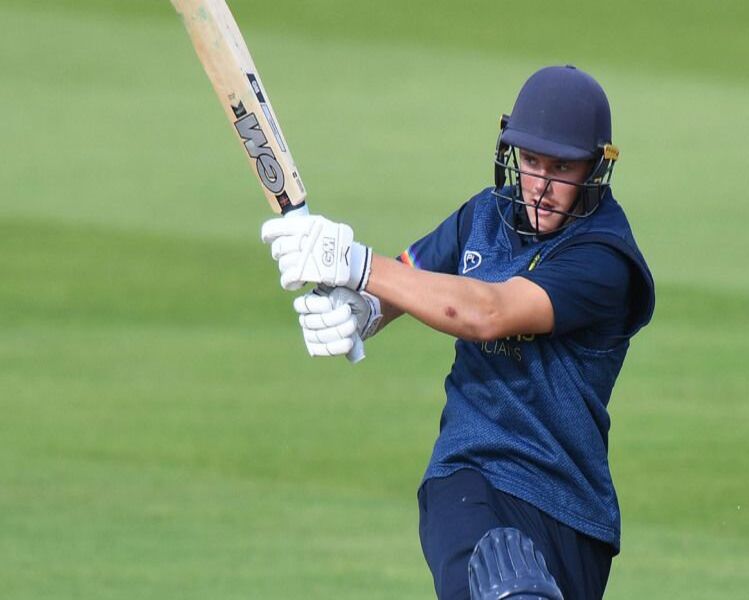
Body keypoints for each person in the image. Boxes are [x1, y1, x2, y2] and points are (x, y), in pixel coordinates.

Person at [260, 65, 655, 599]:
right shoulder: (485, 215)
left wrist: (354, 263)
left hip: (569, 506)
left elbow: (489, 311)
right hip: (472, 473)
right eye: (531, 162)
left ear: (595, 168)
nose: (540, 186)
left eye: (561, 168)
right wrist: (361, 309)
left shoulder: (603, 258)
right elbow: (411, 277)